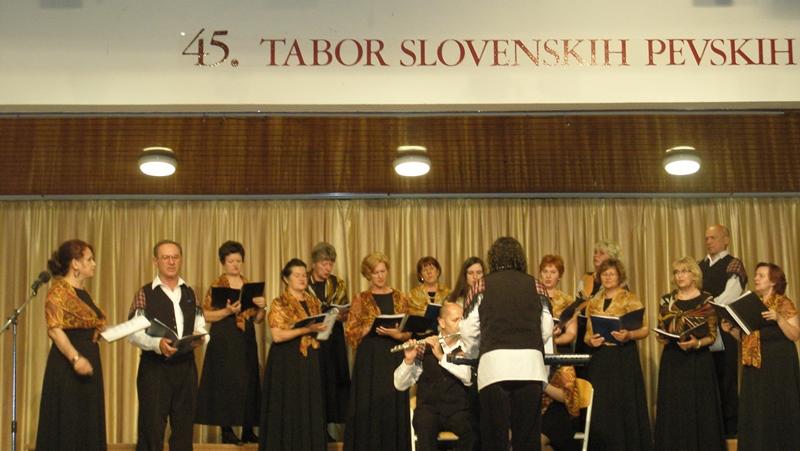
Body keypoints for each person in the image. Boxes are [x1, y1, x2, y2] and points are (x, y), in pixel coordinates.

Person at [460, 236, 553, 451]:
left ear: (493, 258)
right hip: (530, 366)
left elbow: (469, 330)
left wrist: (474, 351)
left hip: (494, 366)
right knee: (528, 436)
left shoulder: (482, 284)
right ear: (520, 258)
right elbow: (547, 329)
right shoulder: (536, 285)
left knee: (494, 435)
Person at [127, 240, 209, 451]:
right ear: (156, 261)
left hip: (186, 368)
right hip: (155, 369)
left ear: (181, 259)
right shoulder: (145, 293)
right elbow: (133, 334)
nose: (171, 262)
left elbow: (200, 326)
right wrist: (156, 344)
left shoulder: (190, 293)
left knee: (184, 430)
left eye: (175, 257)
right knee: (152, 429)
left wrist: (201, 338)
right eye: (165, 257)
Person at [36, 239, 108, 451]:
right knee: (70, 420)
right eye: (89, 259)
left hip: (89, 358)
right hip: (68, 364)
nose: (94, 264)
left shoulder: (83, 292)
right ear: (75, 264)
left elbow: (88, 324)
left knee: (87, 421)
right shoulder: (58, 292)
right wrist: (75, 358)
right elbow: (55, 330)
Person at [720, 262, 800, 451]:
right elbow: (748, 338)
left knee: (776, 406)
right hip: (755, 365)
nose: (755, 278)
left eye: (761, 276)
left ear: (773, 281)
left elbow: (795, 334)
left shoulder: (783, 303)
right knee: (757, 408)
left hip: (778, 363)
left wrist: (779, 318)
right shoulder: (751, 304)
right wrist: (730, 330)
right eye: (756, 275)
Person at [195, 241, 266, 444]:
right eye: (231, 261)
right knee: (225, 382)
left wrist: (263, 306)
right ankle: (226, 430)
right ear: (223, 263)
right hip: (224, 337)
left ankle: (248, 429)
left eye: (238, 261)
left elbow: (258, 319)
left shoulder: (250, 285)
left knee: (248, 380)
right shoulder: (217, 286)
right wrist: (227, 311)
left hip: (246, 338)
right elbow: (205, 315)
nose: (235, 265)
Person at [653, 257, 725, 451]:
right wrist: (661, 337)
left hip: (697, 361)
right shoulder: (667, 300)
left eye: (685, 271)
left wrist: (697, 343)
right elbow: (662, 326)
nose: (680, 276)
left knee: (699, 409)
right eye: (677, 272)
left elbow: (712, 335)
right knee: (674, 408)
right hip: (672, 359)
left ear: (694, 275)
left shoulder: (706, 300)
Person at [343, 252, 412, 451]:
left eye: (383, 271)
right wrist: (366, 329)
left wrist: (399, 334)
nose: (380, 276)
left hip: (394, 354)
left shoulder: (400, 297)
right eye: (375, 273)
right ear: (368, 275)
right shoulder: (361, 299)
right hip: (370, 359)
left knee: (392, 401)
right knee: (370, 404)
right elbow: (350, 333)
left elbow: (409, 331)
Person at [259, 259, 329, 451]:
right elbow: (278, 335)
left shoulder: (313, 301)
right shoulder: (279, 303)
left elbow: (319, 330)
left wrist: (324, 326)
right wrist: (306, 330)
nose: (302, 279)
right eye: (297, 275)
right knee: (288, 405)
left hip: (310, 358)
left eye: (304, 275)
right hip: (287, 360)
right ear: (286, 279)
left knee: (309, 404)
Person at [583, 259, 652, 451]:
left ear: (619, 276)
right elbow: (587, 334)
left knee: (622, 404)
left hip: (622, 356)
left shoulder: (630, 299)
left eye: (611, 274)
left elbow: (644, 329)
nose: (608, 277)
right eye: (604, 274)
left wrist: (629, 335)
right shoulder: (593, 301)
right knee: (601, 405)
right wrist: (591, 341)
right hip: (600, 357)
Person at [394, 302, 479, 451]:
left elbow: (468, 378)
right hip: (429, 409)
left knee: (473, 431)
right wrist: (408, 361)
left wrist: (441, 356)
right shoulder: (424, 347)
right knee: (425, 424)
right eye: (455, 320)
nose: (460, 324)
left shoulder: (468, 347)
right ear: (442, 322)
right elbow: (400, 385)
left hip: (458, 410)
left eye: (462, 319)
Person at [698, 224, 747, 438]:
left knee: (726, 377)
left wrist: (705, 309)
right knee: (705, 377)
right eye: (707, 238)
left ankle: (730, 430)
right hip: (702, 330)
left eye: (713, 237)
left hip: (725, 328)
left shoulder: (733, 264)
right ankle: (709, 428)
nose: (709, 241)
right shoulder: (699, 266)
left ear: (726, 240)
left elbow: (731, 295)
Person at [304, 242, 350, 438]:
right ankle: (314, 428)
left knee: (333, 380)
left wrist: (341, 315)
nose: (327, 268)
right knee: (315, 381)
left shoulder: (337, 283)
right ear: (314, 263)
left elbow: (345, 311)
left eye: (330, 264)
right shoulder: (303, 281)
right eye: (324, 264)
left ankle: (328, 428)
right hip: (311, 336)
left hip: (333, 338)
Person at [574, 240, 624, 362]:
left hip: (606, 336)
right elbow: (578, 306)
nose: (595, 255)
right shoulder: (586, 278)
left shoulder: (617, 283)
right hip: (583, 332)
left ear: (612, 258)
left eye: (601, 253)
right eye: (595, 252)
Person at [540, 255, 578, 355]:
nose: (548, 276)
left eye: (553, 272)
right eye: (545, 271)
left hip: (561, 349)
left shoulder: (567, 300)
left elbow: (571, 333)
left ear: (559, 276)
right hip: (538, 349)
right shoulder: (533, 297)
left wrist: (553, 341)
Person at [540, 365, 581, 451]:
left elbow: (565, 397)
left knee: (537, 443)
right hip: (536, 412)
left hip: (558, 414)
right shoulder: (533, 366)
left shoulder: (564, 367)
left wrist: (543, 385)